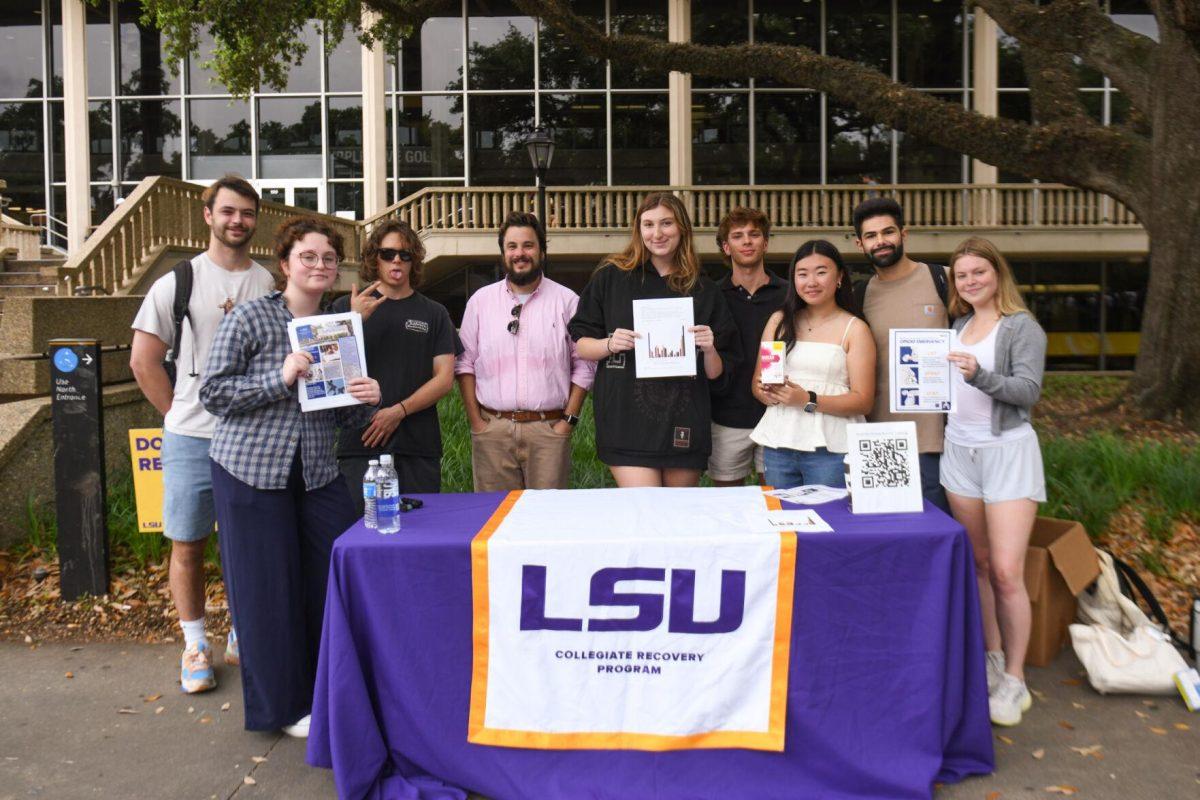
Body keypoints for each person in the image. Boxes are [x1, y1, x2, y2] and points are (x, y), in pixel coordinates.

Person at [199, 217, 381, 737]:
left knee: (328, 580)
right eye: (308, 257)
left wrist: (367, 398)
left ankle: (327, 691)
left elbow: (341, 415)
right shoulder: (252, 319)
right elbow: (214, 393)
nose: (319, 266)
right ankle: (281, 709)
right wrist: (278, 378)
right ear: (285, 264)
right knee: (265, 591)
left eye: (328, 258)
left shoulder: (338, 328)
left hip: (318, 472)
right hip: (251, 474)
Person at [129, 174, 274, 693]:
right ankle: (195, 643)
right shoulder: (178, 283)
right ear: (208, 214)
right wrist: (179, 415)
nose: (238, 221)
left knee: (249, 543)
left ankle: (242, 630)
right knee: (188, 544)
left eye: (247, 213)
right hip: (191, 438)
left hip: (253, 439)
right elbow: (144, 361)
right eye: (229, 211)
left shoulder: (268, 283)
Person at [940, 236, 1047, 728]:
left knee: (1007, 571)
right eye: (962, 276)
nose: (970, 281)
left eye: (978, 272)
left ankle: (1017, 680)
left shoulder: (1021, 327)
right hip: (960, 452)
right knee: (979, 564)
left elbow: (1027, 391)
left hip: (1006, 451)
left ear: (997, 274)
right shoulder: (957, 325)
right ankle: (993, 657)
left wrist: (979, 374)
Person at [569, 192, 738, 487]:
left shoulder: (702, 288)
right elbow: (581, 345)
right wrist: (609, 343)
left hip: (685, 420)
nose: (657, 233)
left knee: (679, 519)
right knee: (646, 512)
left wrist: (710, 349)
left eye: (666, 224)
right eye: (648, 224)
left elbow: (719, 375)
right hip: (627, 420)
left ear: (682, 228)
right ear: (638, 230)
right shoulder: (611, 278)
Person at [456, 212, 595, 491]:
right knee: (493, 519)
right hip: (492, 430)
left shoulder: (568, 302)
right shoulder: (480, 302)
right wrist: (477, 422)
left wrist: (567, 422)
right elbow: (465, 363)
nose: (520, 253)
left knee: (546, 524)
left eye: (528, 245)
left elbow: (585, 365)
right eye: (512, 246)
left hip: (548, 431)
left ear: (542, 251)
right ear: (503, 252)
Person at [332, 220, 461, 512]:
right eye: (388, 253)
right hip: (360, 443)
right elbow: (327, 367)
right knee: (364, 534)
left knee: (420, 536)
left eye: (405, 255)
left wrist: (398, 412)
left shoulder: (434, 313)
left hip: (417, 445)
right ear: (373, 258)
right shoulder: (346, 307)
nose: (397, 260)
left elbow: (444, 380)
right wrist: (353, 322)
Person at [750, 240, 875, 488]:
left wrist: (806, 399)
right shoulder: (779, 321)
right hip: (779, 445)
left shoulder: (855, 329)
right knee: (783, 521)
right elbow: (757, 383)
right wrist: (767, 392)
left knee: (829, 523)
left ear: (839, 276)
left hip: (831, 449)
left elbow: (864, 400)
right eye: (802, 274)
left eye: (821, 272)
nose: (811, 282)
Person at [852, 197, 950, 511]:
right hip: (878, 438)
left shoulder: (944, 280)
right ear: (860, 244)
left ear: (903, 234)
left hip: (936, 440)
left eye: (888, 232)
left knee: (938, 534)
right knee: (889, 535)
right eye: (871, 236)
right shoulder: (859, 295)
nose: (880, 241)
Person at [708, 208, 788, 487]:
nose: (747, 241)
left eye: (754, 234)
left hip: (780, 414)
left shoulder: (790, 295)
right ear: (726, 247)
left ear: (765, 243)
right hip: (726, 417)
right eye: (738, 236)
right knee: (727, 505)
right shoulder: (711, 297)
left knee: (777, 502)